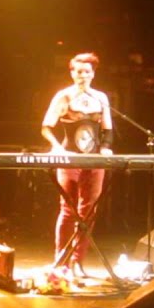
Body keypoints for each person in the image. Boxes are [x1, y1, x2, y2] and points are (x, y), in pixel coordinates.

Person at [41, 52, 114, 277]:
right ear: (72, 73)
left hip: (93, 160)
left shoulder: (101, 98)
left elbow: (107, 130)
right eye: (78, 71)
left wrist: (105, 148)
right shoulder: (63, 96)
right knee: (68, 209)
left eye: (86, 72)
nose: (82, 75)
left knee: (88, 212)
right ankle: (61, 260)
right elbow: (46, 127)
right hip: (70, 156)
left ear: (93, 74)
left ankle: (78, 262)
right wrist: (56, 147)